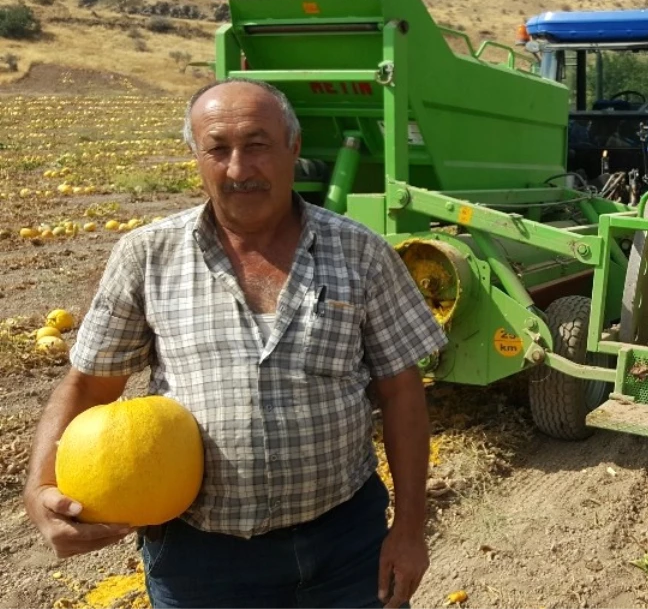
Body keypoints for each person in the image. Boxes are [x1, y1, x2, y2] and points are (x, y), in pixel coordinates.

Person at [23, 79, 448, 609]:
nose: (239, 169)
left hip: (347, 546)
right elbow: (88, 384)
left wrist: (409, 529)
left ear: (293, 148)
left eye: (258, 145)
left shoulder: (360, 252)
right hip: (201, 563)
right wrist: (39, 487)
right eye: (218, 149)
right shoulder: (146, 256)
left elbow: (402, 392)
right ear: (196, 158)